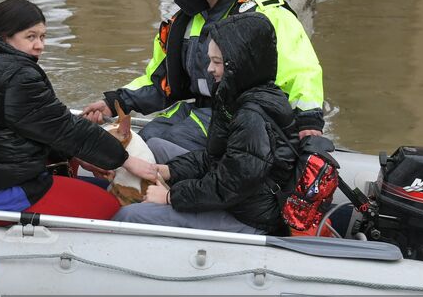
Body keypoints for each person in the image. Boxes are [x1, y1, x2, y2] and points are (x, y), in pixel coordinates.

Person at [83, 0, 324, 163]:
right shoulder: (186, 18)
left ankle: (175, 194)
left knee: (158, 148)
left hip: (246, 118)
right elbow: (160, 80)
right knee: (143, 140)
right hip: (199, 109)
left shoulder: (267, 13)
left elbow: (301, 69)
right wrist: (114, 103)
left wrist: (309, 122)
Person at [0, 0, 157, 220]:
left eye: (42, 36)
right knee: (110, 205)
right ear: (3, 36)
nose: (40, 45)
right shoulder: (16, 75)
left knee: (99, 185)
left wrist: (79, 157)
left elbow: (40, 124)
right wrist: (125, 160)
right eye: (30, 37)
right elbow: (64, 127)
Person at [113, 13, 297, 234]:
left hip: (248, 218)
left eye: (217, 62)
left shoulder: (251, 117)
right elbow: (215, 159)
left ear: (239, 65)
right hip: (240, 199)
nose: (209, 68)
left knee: (129, 216)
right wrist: (169, 170)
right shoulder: (237, 97)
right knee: (157, 148)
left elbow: (230, 186)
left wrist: (170, 196)